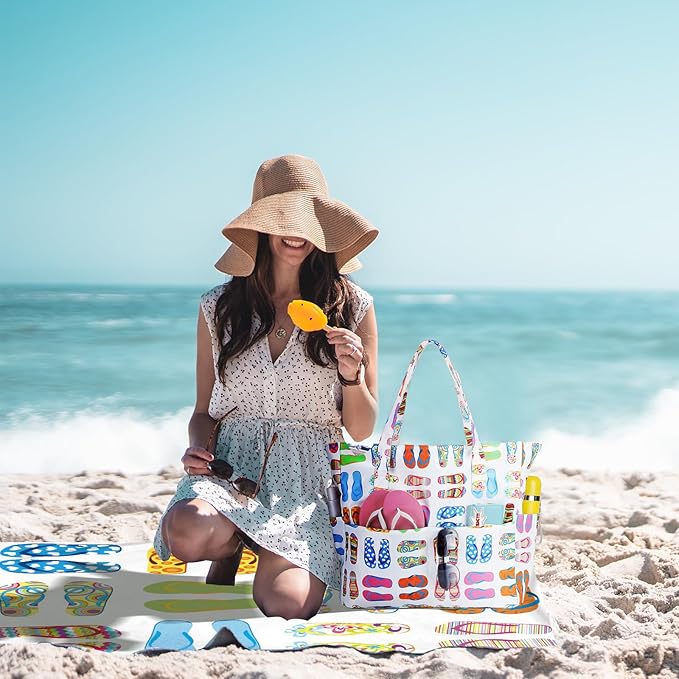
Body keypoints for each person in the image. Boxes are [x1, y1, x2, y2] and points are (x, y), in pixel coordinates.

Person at [153, 154, 379, 620]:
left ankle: (267, 548)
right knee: (185, 532)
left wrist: (352, 375)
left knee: (286, 605)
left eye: (307, 221)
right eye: (283, 219)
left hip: (307, 482)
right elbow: (204, 411)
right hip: (231, 472)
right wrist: (199, 450)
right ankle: (232, 540)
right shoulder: (218, 307)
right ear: (262, 226)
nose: (296, 233)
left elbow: (361, 429)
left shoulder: (352, 307)